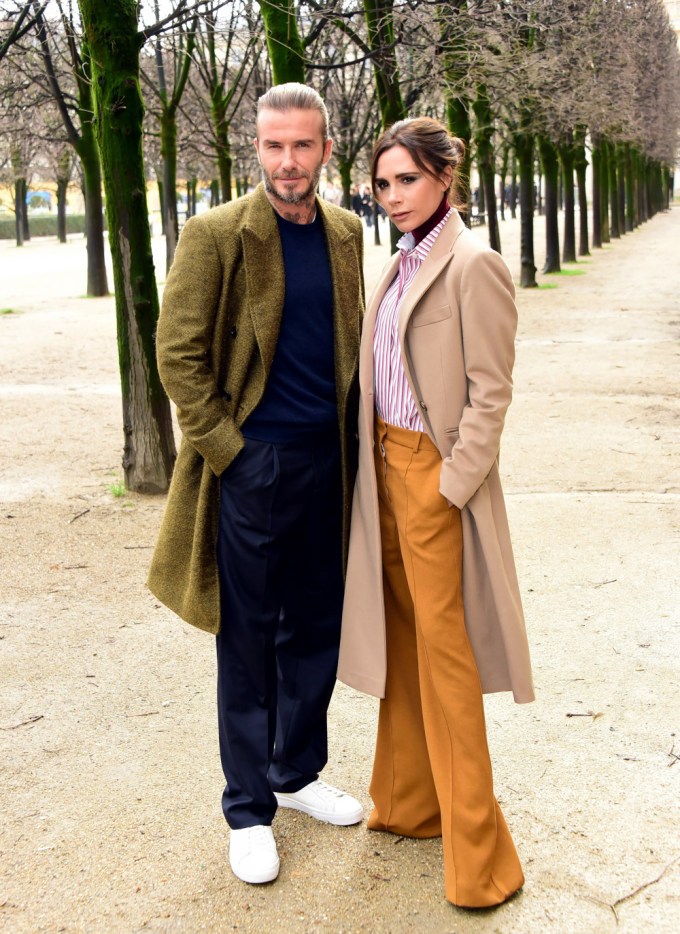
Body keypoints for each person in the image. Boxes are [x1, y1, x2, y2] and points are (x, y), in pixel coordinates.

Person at [148, 83, 365, 888]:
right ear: (256, 148)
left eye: (302, 145)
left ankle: (297, 772)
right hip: (253, 468)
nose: (287, 161)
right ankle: (247, 808)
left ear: (325, 150)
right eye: (274, 146)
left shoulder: (345, 233)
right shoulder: (216, 235)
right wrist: (232, 454)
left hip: (327, 465)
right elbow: (179, 354)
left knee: (316, 628)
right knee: (247, 640)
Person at [338, 117, 534, 909]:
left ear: (444, 178)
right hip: (381, 474)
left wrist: (451, 485)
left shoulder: (473, 263)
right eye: (383, 184)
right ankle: (413, 806)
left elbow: (492, 389)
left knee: (446, 663)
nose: (393, 196)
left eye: (407, 180)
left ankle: (482, 860)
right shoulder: (397, 265)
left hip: (431, 479)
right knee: (404, 648)